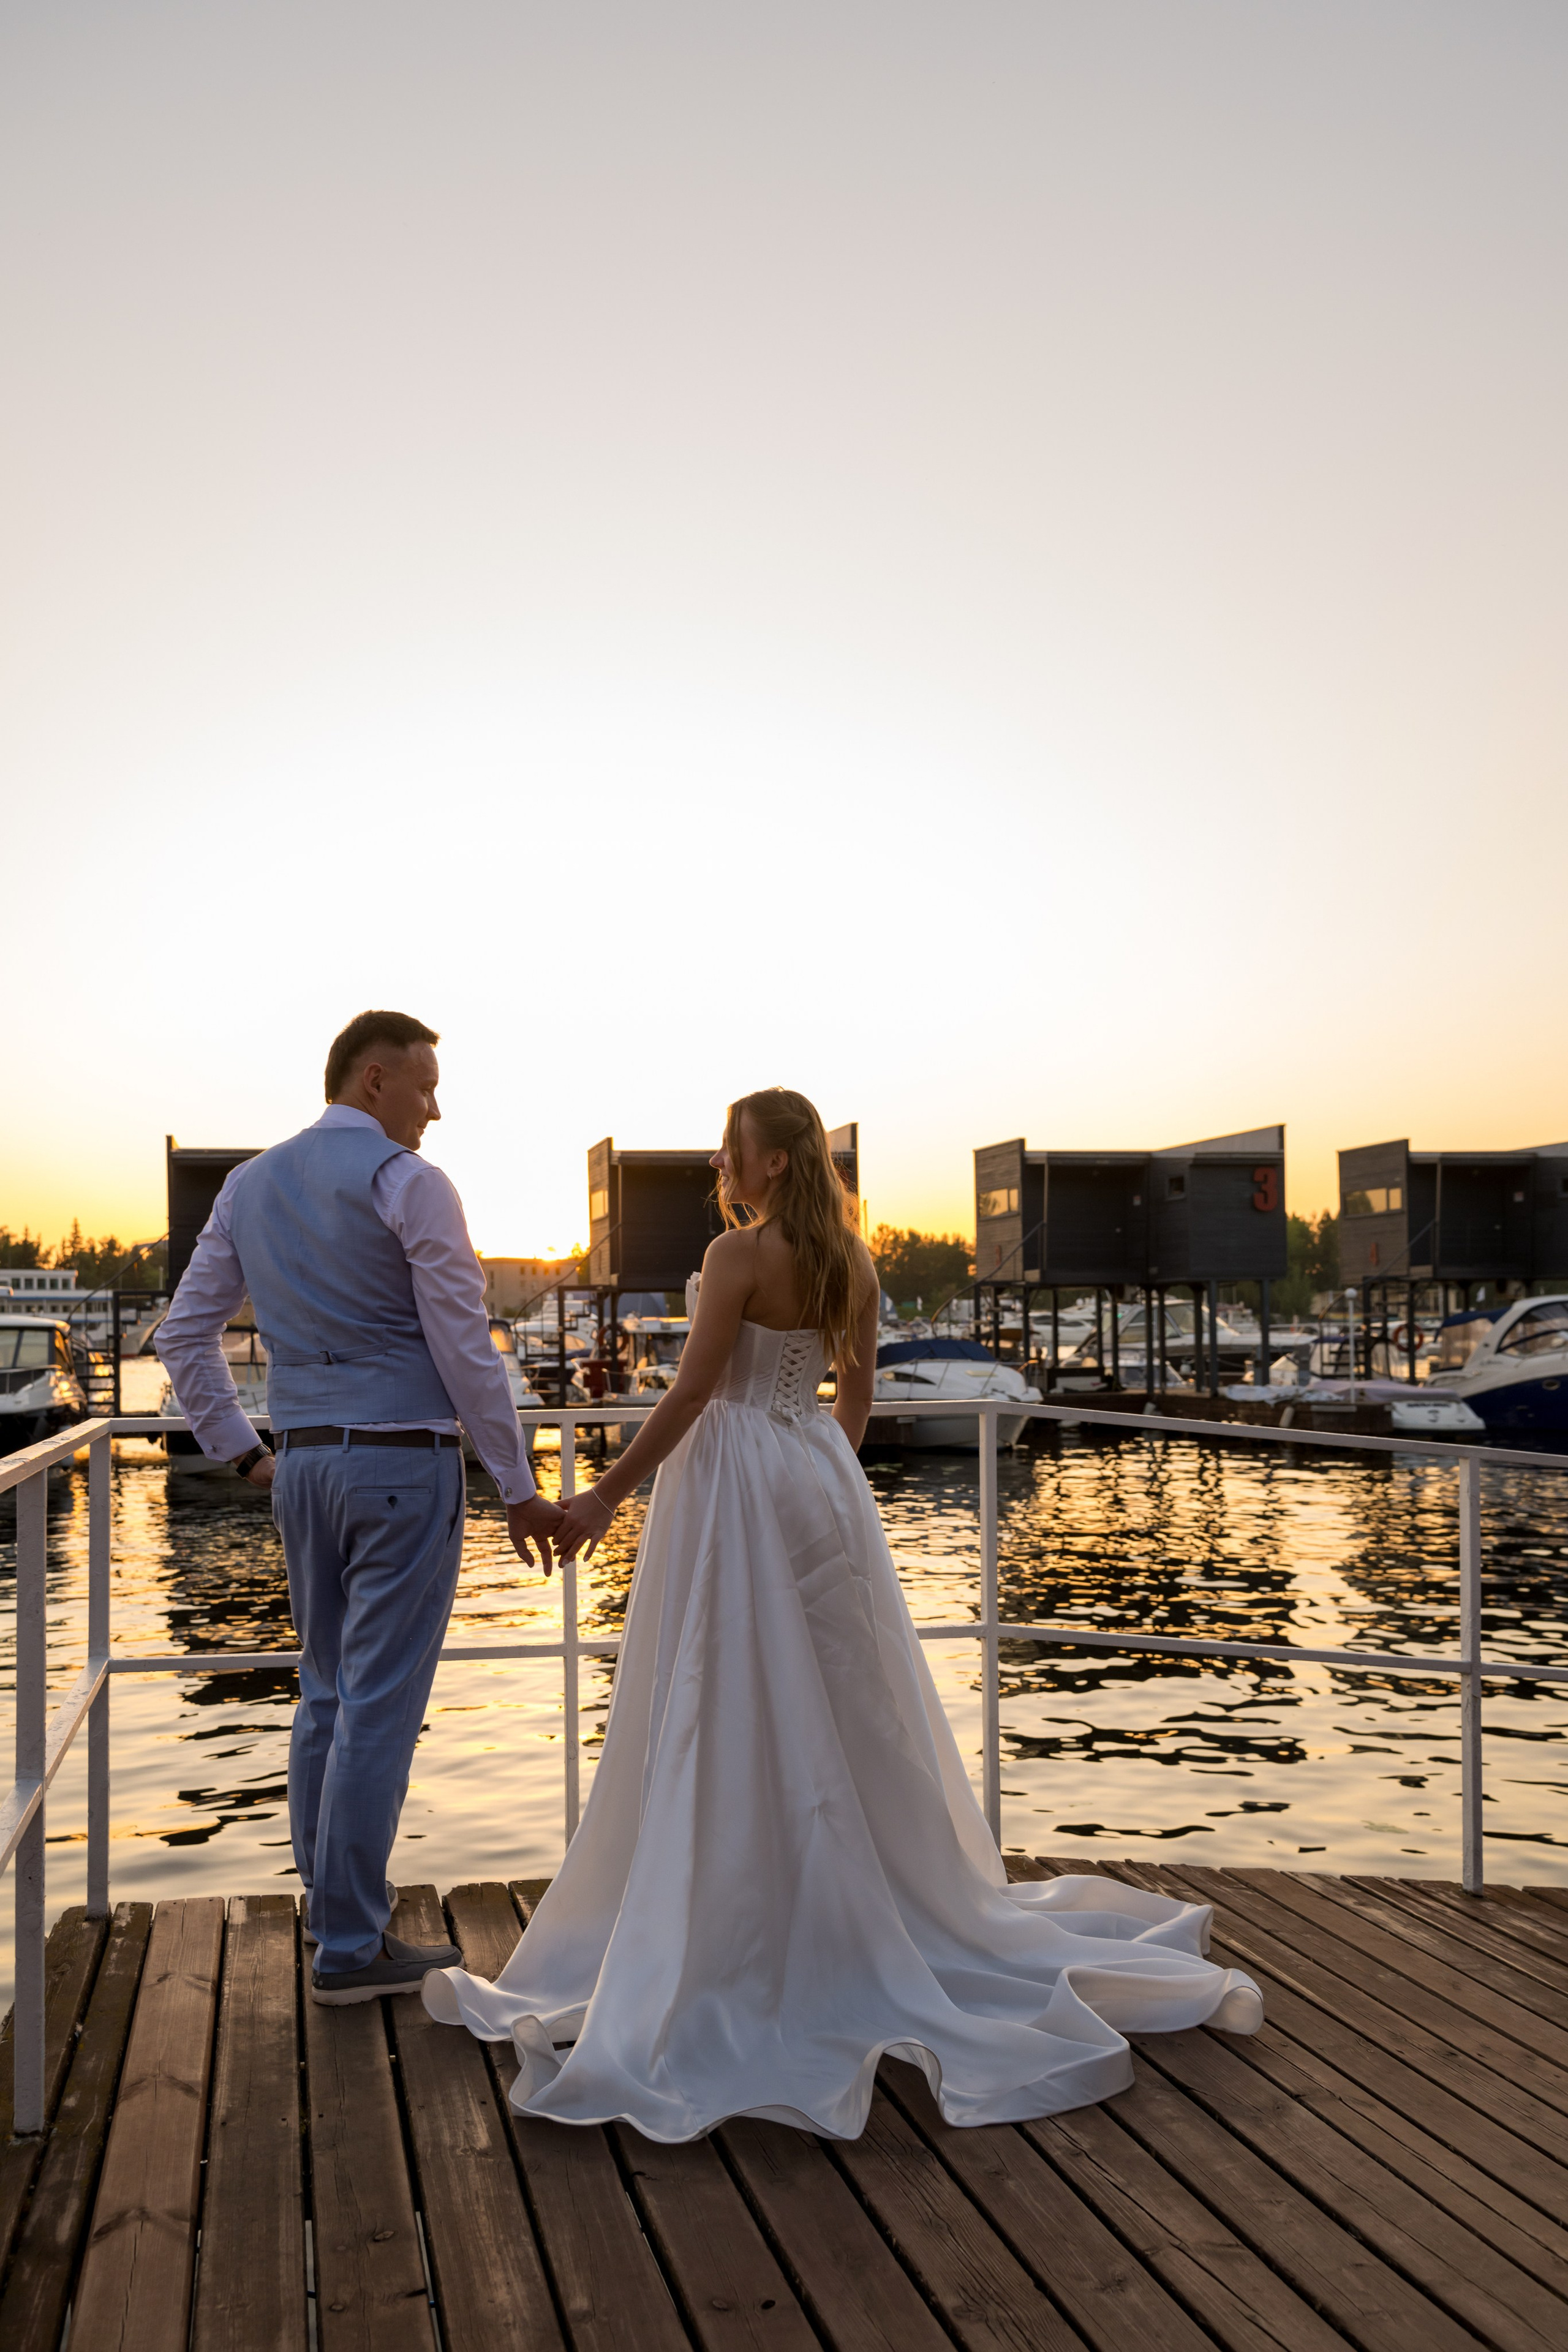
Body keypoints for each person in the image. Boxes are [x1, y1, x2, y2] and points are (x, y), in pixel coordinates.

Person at [424, 1087, 1261, 2138]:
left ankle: (740, 1911)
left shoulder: (737, 1257)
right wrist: (814, 1474)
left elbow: (688, 1397)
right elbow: (851, 1401)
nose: (719, 1171)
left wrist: (600, 1497)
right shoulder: (853, 1262)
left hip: (729, 1477)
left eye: (731, 1153)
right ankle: (846, 1905)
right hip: (817, 1482)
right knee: (837, 1699)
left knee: (726, 1687)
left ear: (772, 1163)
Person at [156, 1009, 563, 2004]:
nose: (436, 1108)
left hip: (301, 1469)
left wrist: (241, 1452)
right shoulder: (407, 1183)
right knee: (378, 1707)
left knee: (326, 1694)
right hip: (400, 1464)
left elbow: (181, 1338)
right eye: (425, 1087)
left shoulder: (248, 1185)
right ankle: (349, 1945)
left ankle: (333, 1916)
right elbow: (468, 1350)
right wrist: (518, 1485)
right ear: (373, 1079)